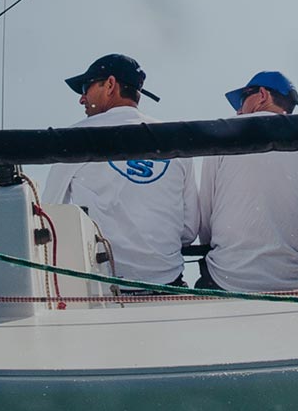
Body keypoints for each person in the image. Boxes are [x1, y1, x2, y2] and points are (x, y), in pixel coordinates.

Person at [44, 54, 198, 288]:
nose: (82, 99)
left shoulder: (73, 138)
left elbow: (49, 218)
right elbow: (189, 230)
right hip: (170, 287)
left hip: (102, 292)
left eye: (85, 88)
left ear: (110, 85)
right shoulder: (175, 140)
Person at [193, 71, 298, 292]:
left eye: (242, 100)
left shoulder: (224, 135)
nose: (238, 110)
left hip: (229, 280)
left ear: (262, 95)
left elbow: (205, 224)